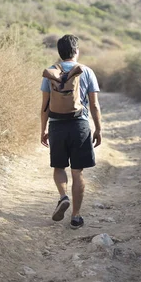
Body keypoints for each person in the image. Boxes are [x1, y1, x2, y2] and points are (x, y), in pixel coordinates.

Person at [40, 34, 102, 229]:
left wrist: (43, 130)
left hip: (57, 125)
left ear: (59, 52)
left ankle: (63, 196)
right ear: (76, 51)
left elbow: (44, 106)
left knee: (59, 168)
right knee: (78, 172)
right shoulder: (87, 72)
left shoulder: (50, 72)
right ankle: (75, 217)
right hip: (79, 125)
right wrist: (98, 129)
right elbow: (94, 105)